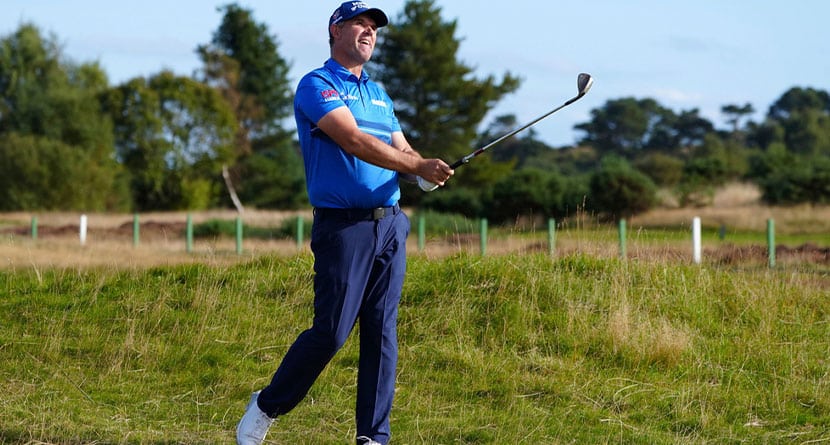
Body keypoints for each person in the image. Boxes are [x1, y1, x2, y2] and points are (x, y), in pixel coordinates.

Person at [236, 2, 454, 444]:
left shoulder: (379, 95)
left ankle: (373, 436)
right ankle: (267, 405)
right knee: (332, 332)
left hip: (390, 224)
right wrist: (417, 166)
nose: (369, 32)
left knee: (381, 332)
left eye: (373, 27)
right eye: (360, 23)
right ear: (335, 30)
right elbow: (353, 140)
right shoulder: (316, 85)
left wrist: (424, 171)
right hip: (343, 226)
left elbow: (402, 149)